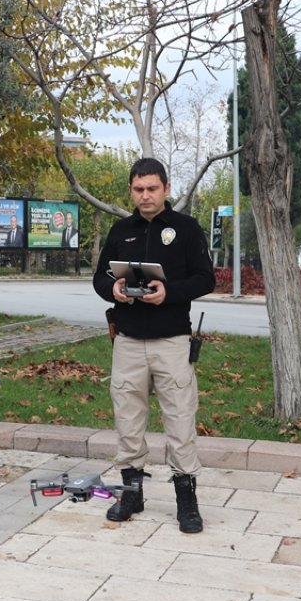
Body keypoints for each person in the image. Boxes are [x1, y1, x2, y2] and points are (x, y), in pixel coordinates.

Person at [93, 157, 215, 533]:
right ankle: (132, 493)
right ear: (131, 190)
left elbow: (206, 279)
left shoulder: (185, 229)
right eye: (138, 189)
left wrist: (169, 292)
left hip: (172, 341)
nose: (145, 196)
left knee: (180, 420)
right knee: (128, 422)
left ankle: (186, 501)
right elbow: (99, 279)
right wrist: (112, 289)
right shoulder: (121, 230)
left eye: (152, 188)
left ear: (166, 188)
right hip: (128, 341)